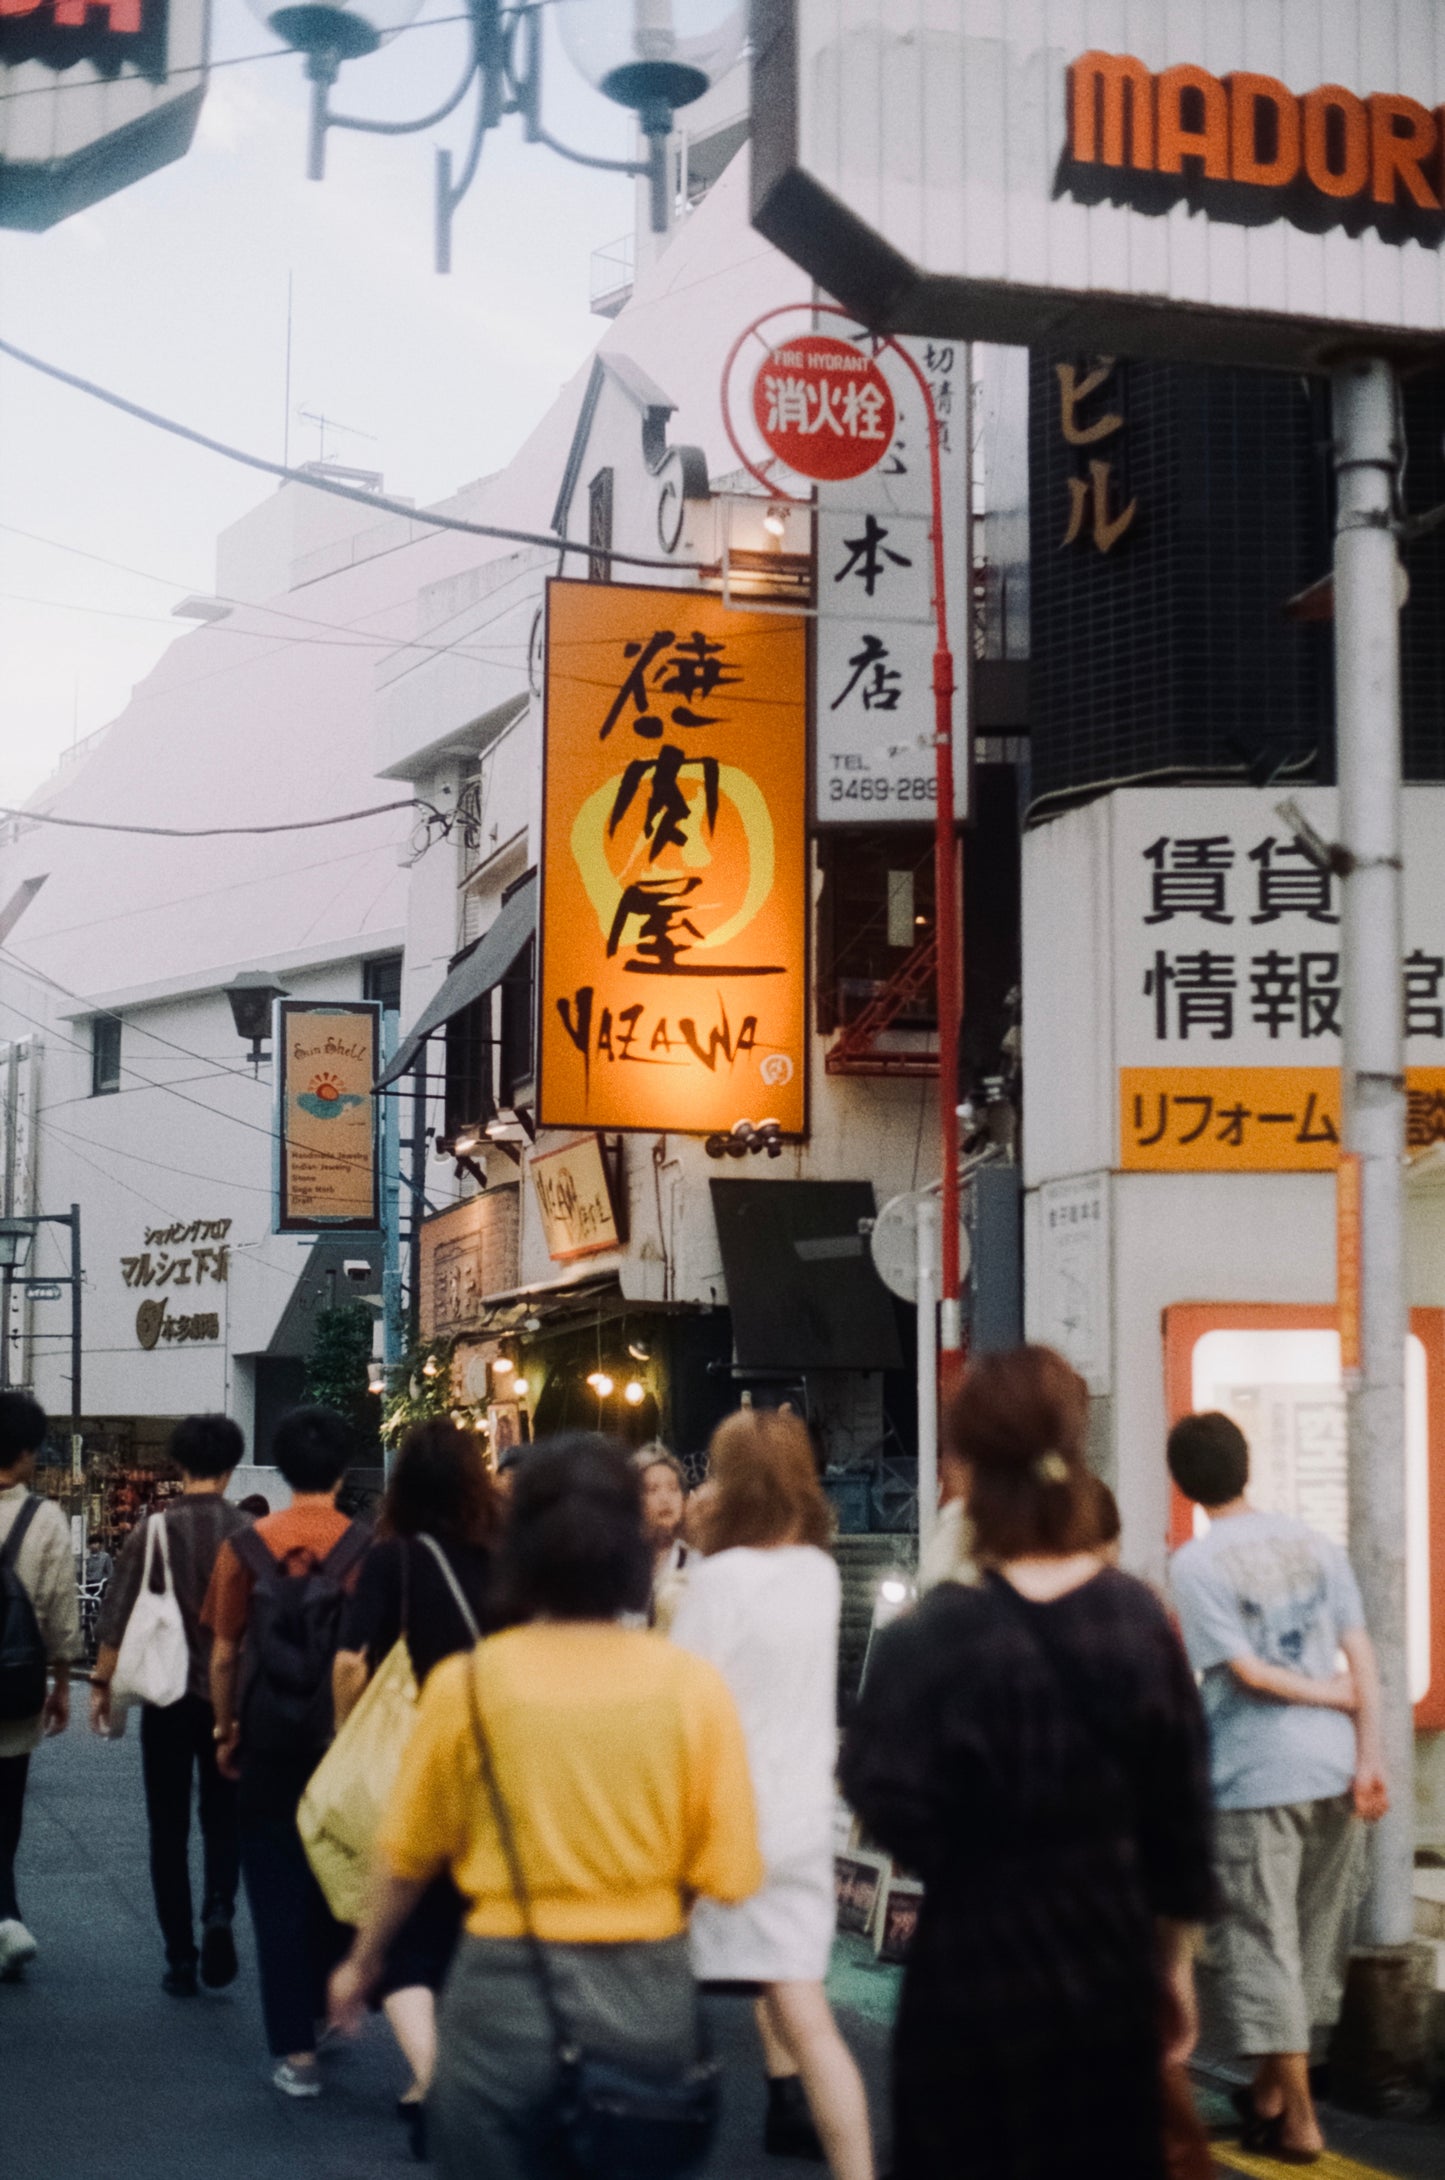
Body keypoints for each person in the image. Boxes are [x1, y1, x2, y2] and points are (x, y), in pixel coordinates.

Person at [329, 1433, 764, 2180]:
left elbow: (405, 1855)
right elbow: (727, 1871)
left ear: (520, 1544)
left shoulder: (467, 1686)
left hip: (501, 1995)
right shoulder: (691, 1690)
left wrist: (361, 1964)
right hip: (648, 1998)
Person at [840, 1346, 1216, 2180]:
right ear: (1075, 1450)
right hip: (1107, 1988)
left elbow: (881, 1801)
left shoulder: (926, 1640)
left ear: (963, 1464)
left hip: (967, 1987)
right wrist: (1173, 1975)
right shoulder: (1136, 1624)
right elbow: (1181, 1838)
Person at [1167, 1410, 1387, 2163]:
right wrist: (1368, 1755)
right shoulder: (1313, 1543)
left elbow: (1248, 1675)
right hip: (1333, 1772)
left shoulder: (1195, 1566)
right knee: (1313, 1943)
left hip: (1255, 1775)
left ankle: (1297, 2120)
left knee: (1265, 1947)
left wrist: (1333, 1700)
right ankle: (1265, 2097)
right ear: (1246, 1463)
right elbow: (1360, 1654)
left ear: (1182, 1484)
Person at [672, 1408, 874, 2180]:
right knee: (804, 2011)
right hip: (801, 1817)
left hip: (721, 1820)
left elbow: (685, 1706)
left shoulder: (716, 1583)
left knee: (636, 2005)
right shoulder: (817, 1574)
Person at [332, 1420, 505, 2155]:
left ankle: (433, 2075)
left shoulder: (392, 1557)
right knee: (472, 1924)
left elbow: (348, 1663)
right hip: (499, 1760)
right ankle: (463, 2071)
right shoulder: (504, 1556)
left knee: (401, 1936)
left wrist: (345, 1739)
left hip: (417, 1757)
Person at [202, 1406, 370, 2097]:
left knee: (272, 1885)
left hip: (266, 1733)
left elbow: (221, 1653)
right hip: (339, 1738)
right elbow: (371, 1656)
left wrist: (224, 1728)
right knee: (336, 1872)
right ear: (341, 1468)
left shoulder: (245, 1546)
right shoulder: (364, 1548)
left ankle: (295, 2055)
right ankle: (325, 2000)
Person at [90, 1413, 251, 1996]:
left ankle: (180, 1957)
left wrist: (101, 1686)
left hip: (166, 1695)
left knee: (167, 1826)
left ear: (178, 1466)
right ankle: (218, 1910)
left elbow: (116, 1614)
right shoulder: (248, 1531)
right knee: (223, 1816)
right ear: (232, 1466)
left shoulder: (151, 1531)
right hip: (227, 1697)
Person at [0, 1392, 79, 1981]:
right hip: (14, 1690)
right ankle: (4, 1913)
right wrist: (60, 1684)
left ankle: (4, 1915)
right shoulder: (44, 1519)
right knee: (6, 1808)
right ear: (24, 1452)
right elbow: (58, 1613)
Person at [633, 1444, 691, 1633]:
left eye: (673, 1489)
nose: (665, 1499)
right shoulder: (617, 1564)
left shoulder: (696, 1561)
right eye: (652, 1490)